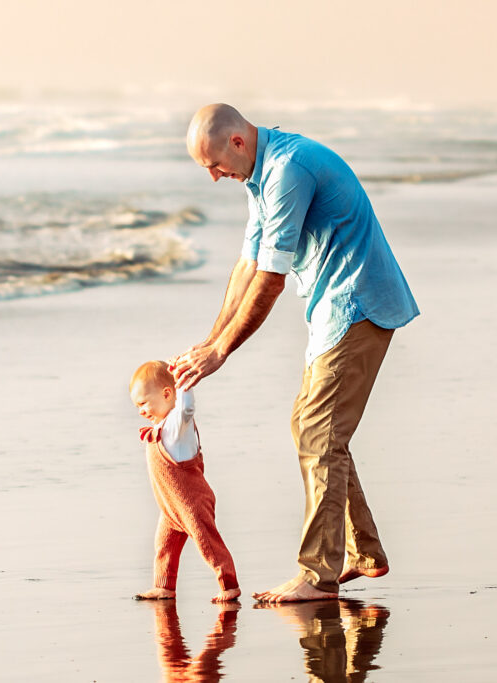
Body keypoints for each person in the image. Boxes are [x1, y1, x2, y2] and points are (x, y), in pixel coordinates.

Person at [171, 104, 419, 603]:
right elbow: (247, 265)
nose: (215, 178)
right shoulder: (260, 177)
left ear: (238, 143)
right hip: (334, 309)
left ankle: (317, 575)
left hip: (358, 305)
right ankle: (363, 552)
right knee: (311, 427)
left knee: (318, 433)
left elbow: (271, 279)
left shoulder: (288, 171)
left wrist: (223, 351)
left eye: (215, 165)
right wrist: (210, 339)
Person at [129, 360, 241, 603]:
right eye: (136, 406)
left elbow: (187, 409)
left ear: (167, 394)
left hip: (192, 502)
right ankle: (164, 587)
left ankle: (229, 585)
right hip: (171, 506)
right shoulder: (159, 426)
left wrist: (184, 384)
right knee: (164, 546)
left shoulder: (177, 424)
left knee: (208, 543)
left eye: (143, 403)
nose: (140, 410)